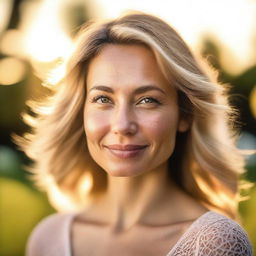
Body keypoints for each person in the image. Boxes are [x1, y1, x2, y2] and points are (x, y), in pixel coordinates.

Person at [18, 12, 252, 255]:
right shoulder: (48, 238)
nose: (122, 125)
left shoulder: (214, 242)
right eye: (103, 99)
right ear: (81, 112)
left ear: (185, 115)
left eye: (147, 100)